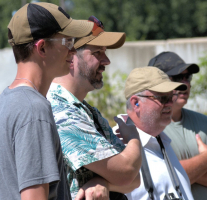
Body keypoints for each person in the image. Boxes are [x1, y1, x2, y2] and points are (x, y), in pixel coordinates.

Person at [0, 2, 108, 200]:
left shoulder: (3, 103)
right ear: (41, 47)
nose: (73, 51)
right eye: (67, 42)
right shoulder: (34, 110)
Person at [46, 15, 142, 200]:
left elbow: (135, 180)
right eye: (97, 53)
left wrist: (104, 182)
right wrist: (134, 140)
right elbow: (126, 171)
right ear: (70, 55)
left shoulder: (88, 111)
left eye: (105, 52)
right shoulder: (61, 111)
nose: (106, 61)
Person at [148, 51, 207, 200]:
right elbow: (159, 177)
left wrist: (183, 170)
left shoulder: (205, 123)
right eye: (177, 78)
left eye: (187, 77)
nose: (185, 84)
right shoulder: (148, 127)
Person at [112, 66, 194, 200]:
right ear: (136, 103)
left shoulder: (161, 139)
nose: (169, 104)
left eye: (171, 96)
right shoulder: (114, 144)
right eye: (163, 98)